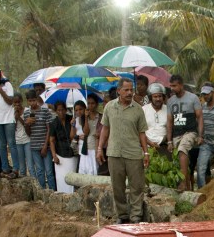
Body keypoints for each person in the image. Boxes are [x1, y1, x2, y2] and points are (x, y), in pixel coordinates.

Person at [98, 78, 149, 224]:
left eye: (131, 90)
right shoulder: (109, 107)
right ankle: (122, 216)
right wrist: (99, 148)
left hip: (133, 153)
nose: (129, 93)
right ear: (118, 91)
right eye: (126, 90)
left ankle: (136, 216)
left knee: (137, 187)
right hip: (114, 153)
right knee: (117, 186)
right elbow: (105, 129)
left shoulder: (138, 109)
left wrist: (146, 153)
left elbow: (142, 133)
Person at [166, 75, 204, 191]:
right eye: (171, 86)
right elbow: (169, 122)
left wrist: (200, 135)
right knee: (181, 161)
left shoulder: (193, 98)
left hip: (190, 132)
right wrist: (169, 141)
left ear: (181, 85)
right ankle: (187, 188)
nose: (172, 88)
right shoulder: (170, 101)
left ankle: (182, 183)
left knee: (182, 150)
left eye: (175, 86)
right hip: (177, 134)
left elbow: (200, 117)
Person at [23, 90, 55, 189]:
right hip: (34, 146)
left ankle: (53, 192)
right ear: (27, 101)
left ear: (37, 99)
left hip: (46, 146)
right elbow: (28, 133)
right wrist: (27, 124)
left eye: (33, 100)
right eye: (29, 101)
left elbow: (49, 129)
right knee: (40, 171)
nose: (32, 103)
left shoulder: (45, 111)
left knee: (49, 171)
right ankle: (42, 193)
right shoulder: (26, 113)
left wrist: (45, 145)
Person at [49, 101, 77, 192]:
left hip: (72, 152)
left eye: (62, 110)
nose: (61, 112)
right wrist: (54, 156)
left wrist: (73, 125)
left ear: (65, 110)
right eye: (58, 110)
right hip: (60, 154)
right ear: (56, 111)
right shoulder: (54, 123)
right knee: (61, 178)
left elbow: (72, 136)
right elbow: (52, 140)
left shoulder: (72, 119)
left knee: (72, 177)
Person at [72, 97, 102, 176]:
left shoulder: (101, 117)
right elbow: (86, 132)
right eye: (88, 103)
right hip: (86, 148)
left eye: (92, 103)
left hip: (97, 147)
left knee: (96, 171)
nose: (90, 105)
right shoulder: (84, 118)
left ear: (96, 104)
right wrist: (85, 117)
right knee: (86, 172)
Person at [144, 83, 169, 154]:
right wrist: (150, 143)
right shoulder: (143, 110)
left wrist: (165, 140)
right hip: (146, 146)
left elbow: (171, 128)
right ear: (150, 98)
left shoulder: (168, 110)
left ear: (163, 97)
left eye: (160, 96)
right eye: (155, 96)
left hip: (164, 146)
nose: (158, 99)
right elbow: (139, 130)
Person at [12, 94, 32, 178]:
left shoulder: (27, 110)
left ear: (21, 101)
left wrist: (19, 117)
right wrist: (16, 118)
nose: (17, 104)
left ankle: (34, 182)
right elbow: (13, 128)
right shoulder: (11, 112)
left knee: (30, 165)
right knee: (22, 166)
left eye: (18, 102)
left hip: (27, 140)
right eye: (15, 102)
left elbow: (27, 124)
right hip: (18, 141)